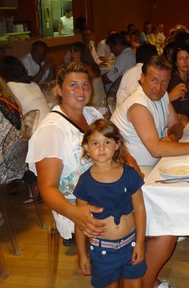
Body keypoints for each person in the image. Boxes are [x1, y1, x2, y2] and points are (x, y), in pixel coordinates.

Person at [110, 55, 189, 288]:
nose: (159, 87)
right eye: (153, 80)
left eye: (163, 81)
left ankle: (146, 277)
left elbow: (178, 122)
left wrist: (173, 135)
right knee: (169, 226)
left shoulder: (159, 98)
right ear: (142, 78)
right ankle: (146, 282)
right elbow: (157, 149)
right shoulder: (138, 105)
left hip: (152, 170)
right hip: (127, 179)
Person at [26, 62, 141, 245]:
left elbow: (114, 141)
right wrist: (76, 214)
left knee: (150, 207)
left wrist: (129, 159)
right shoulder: (52, 131)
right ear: (59, 90)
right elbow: (47, 187)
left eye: (85, 85)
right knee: (148, 224)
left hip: (109, 189)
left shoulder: (91, 114)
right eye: (73, 85)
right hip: (82, 209)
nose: (81, 90)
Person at [75, 119, 146, 288]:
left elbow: (140, 209)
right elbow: (79, 222)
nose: (101, 148)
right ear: (86, 147)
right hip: (101, 252)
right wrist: (82, 254)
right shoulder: (84, 182)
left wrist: (141, 243)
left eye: (107, 142)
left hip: (131, 245)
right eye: (95, 143)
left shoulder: (129, 175)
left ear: (116, 145)